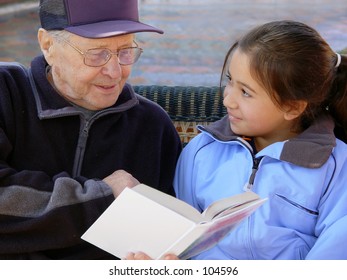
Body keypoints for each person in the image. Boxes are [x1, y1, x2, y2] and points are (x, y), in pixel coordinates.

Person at [126, 20, 347, 260]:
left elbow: (332, 258)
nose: (228, 100)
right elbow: (181, 239)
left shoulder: (336, 168)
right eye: (230, 80)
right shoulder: (202, 150)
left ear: (292, 107)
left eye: (245, 92)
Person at [0, 0, 181, 259]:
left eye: (126, 51)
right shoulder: (6, 92)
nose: (114, 71)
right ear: (48, 46)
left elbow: (166, 233)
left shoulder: (153, 126)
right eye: (97, 53)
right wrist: (100, 198)